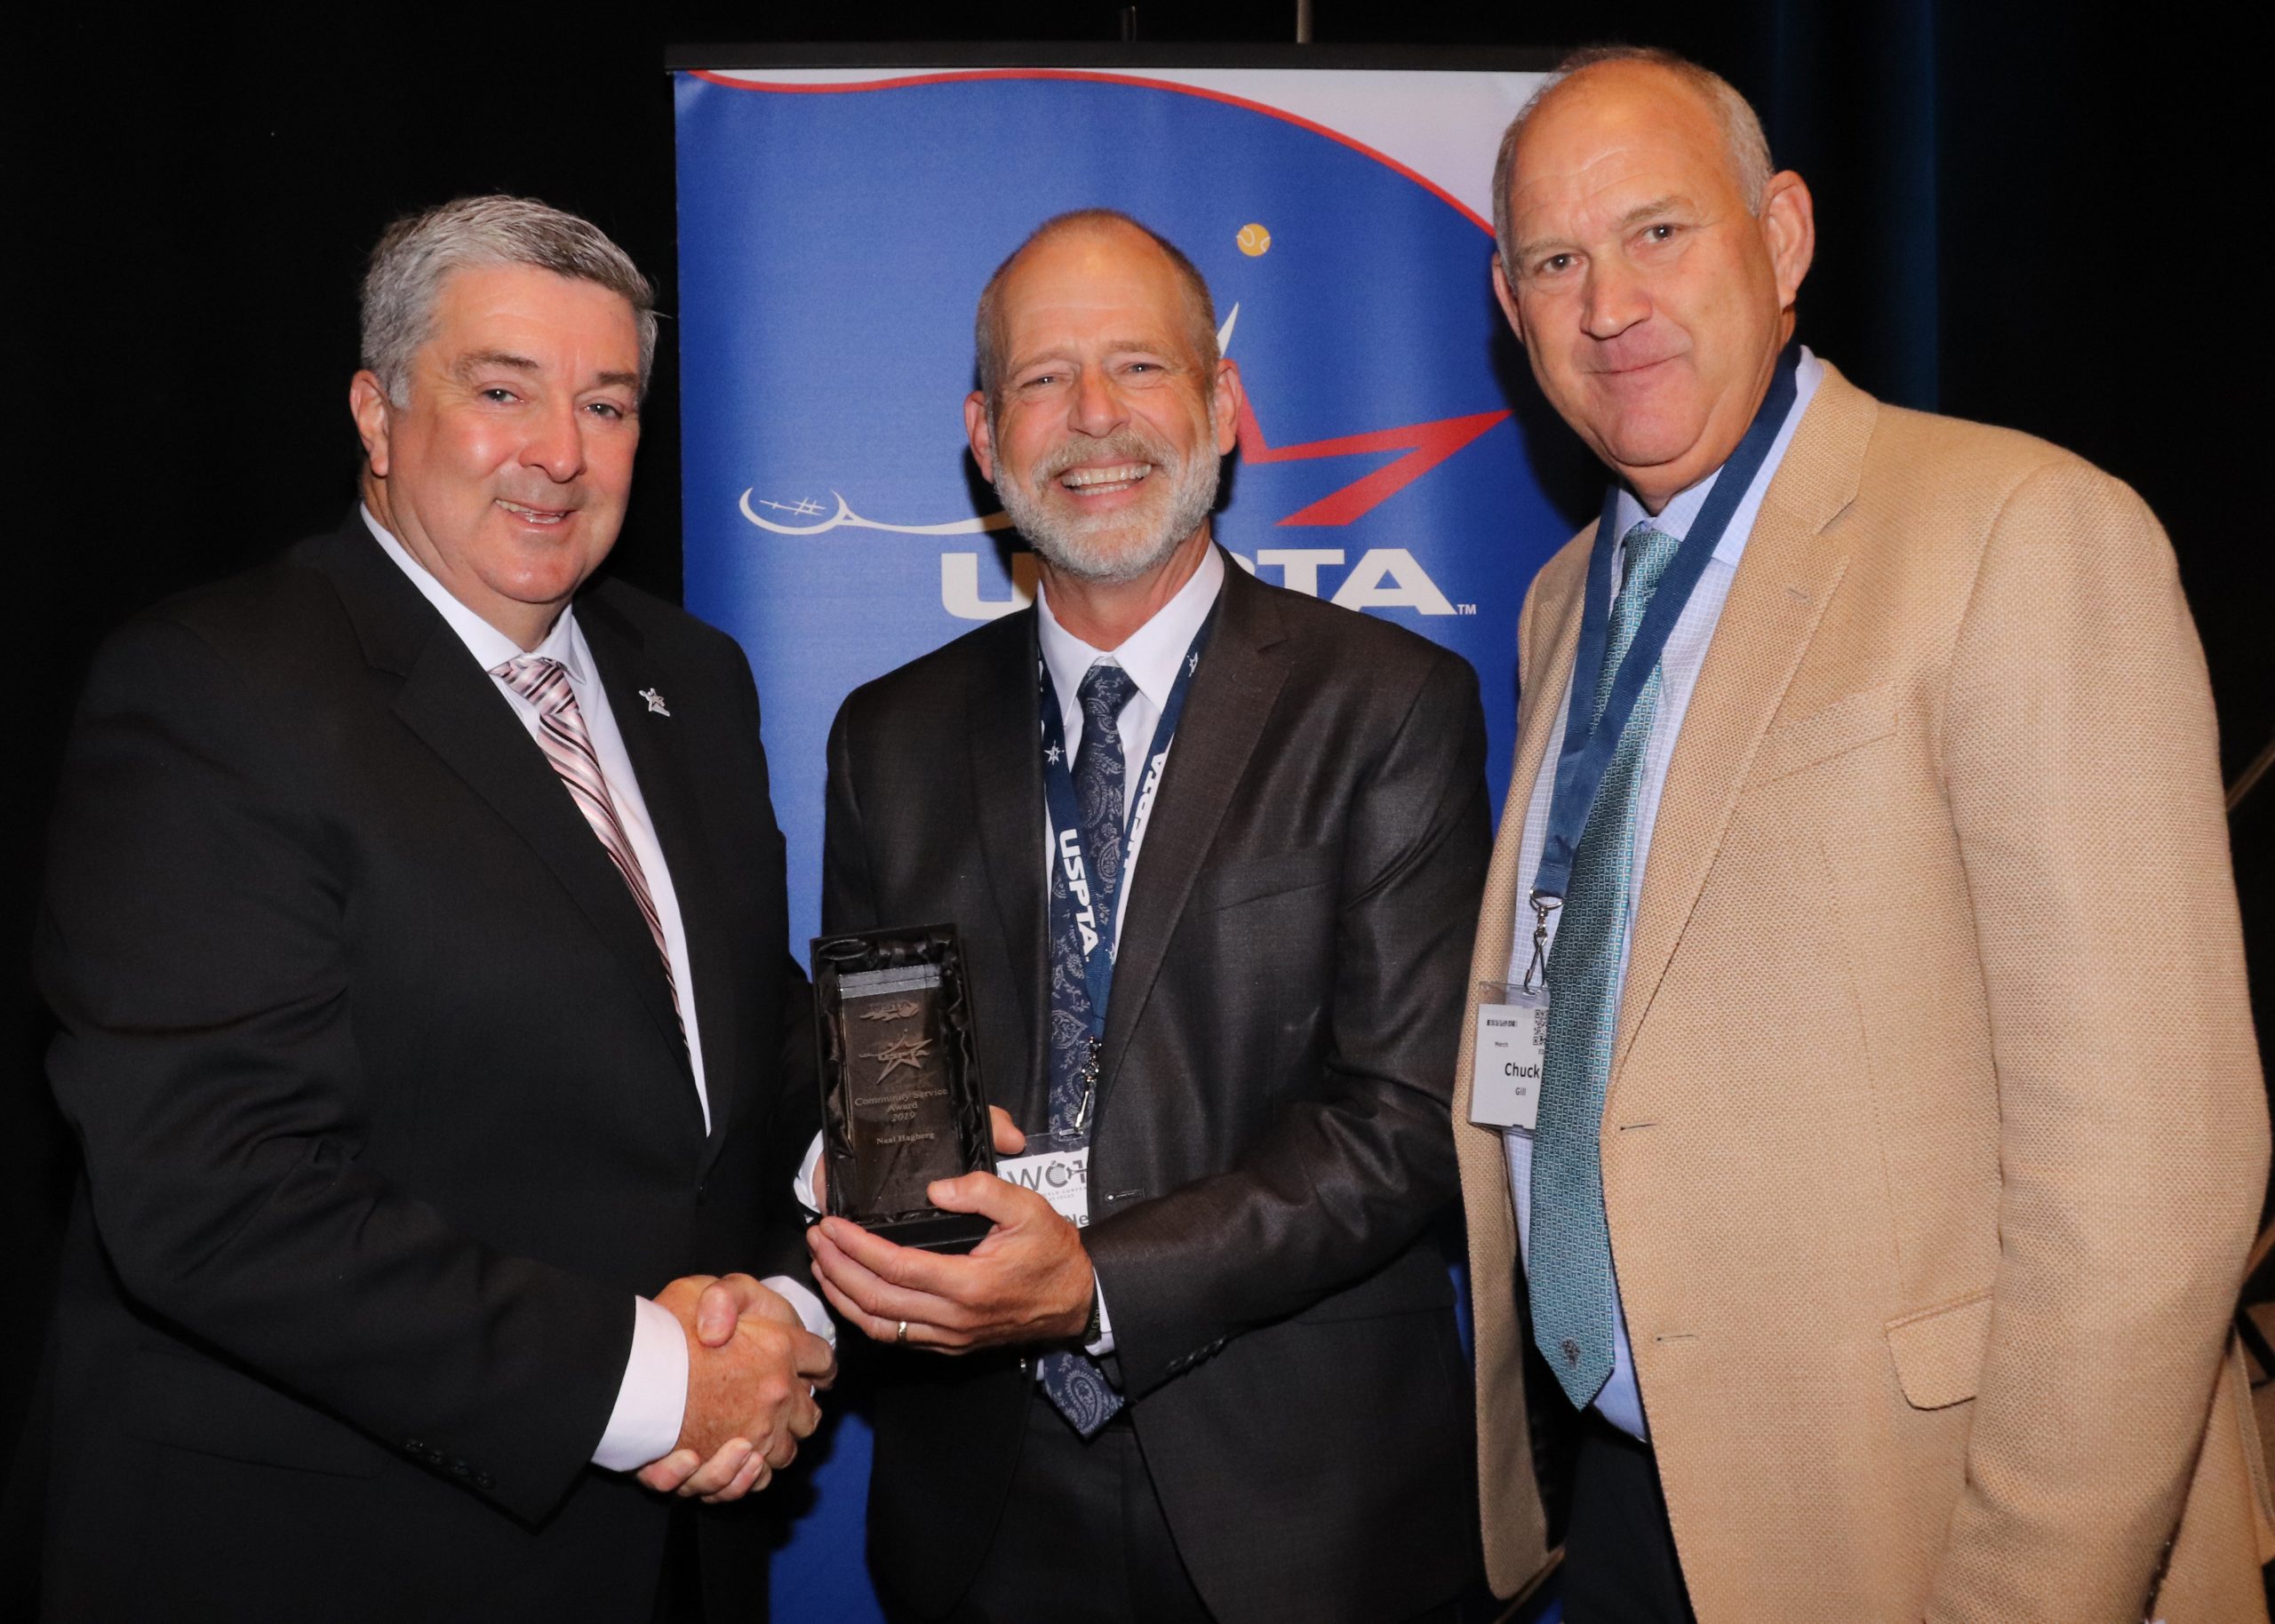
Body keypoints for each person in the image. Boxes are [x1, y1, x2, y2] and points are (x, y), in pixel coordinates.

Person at [1452, 45, 2272, 1623]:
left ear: (1785, 235)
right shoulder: (1569, 600)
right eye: (1557, 259)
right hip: (1637, 1500)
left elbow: (2156, 1174)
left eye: (1659, 232)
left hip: (1939, 1526)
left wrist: (2031, 1593)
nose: (1608, 303)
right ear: (1510, 301)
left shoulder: (2021, 533)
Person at [36, 195, 835, 1621]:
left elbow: (739, 1063)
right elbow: (214, 1195)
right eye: (500, 390)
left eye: (607, 402)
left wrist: (837, 1250)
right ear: (376, 409)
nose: (559, 452)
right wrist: (663, 1383)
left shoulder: (691, 678)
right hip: (323, 1556)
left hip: (669, 1556)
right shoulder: (217, 689)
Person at [804, 209, 1489, 1623]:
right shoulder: (890, 736)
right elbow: (877, 1089)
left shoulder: (1391, 707)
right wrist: (860, 1184)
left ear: (1224, 409)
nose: (1094, 418)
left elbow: (1410, 1117)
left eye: (1140, 367)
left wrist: (1094, 1285)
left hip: (1304, 1494)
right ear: (984, 435)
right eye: (1045, 380)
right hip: (981, 1497)